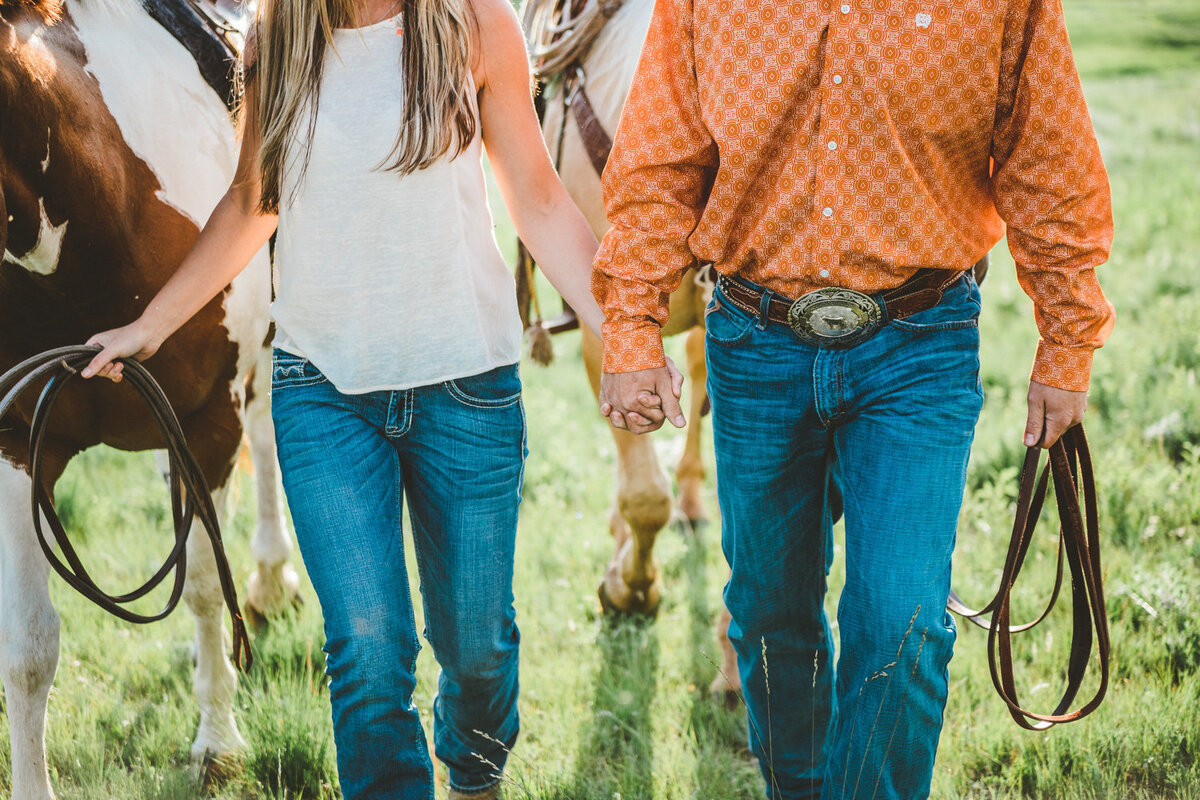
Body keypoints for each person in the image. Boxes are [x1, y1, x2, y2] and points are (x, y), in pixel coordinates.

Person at [79, 0, 642, 796]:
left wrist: (628, 333)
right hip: (325, 397)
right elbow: (253, 199)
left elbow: (539, 199)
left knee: (476, 648)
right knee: (368, 653)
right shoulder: (275, 42)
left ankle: (475, 775)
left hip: (466, 387)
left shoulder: (474, 25)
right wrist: (151, 325)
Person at [593, 1, 1113, 798]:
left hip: (918, 343)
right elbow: (661, 159)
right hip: (754, 339)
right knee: (767, 620)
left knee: (901, 625)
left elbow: (1045, 148)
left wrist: (1067, 337)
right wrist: (630, 328)